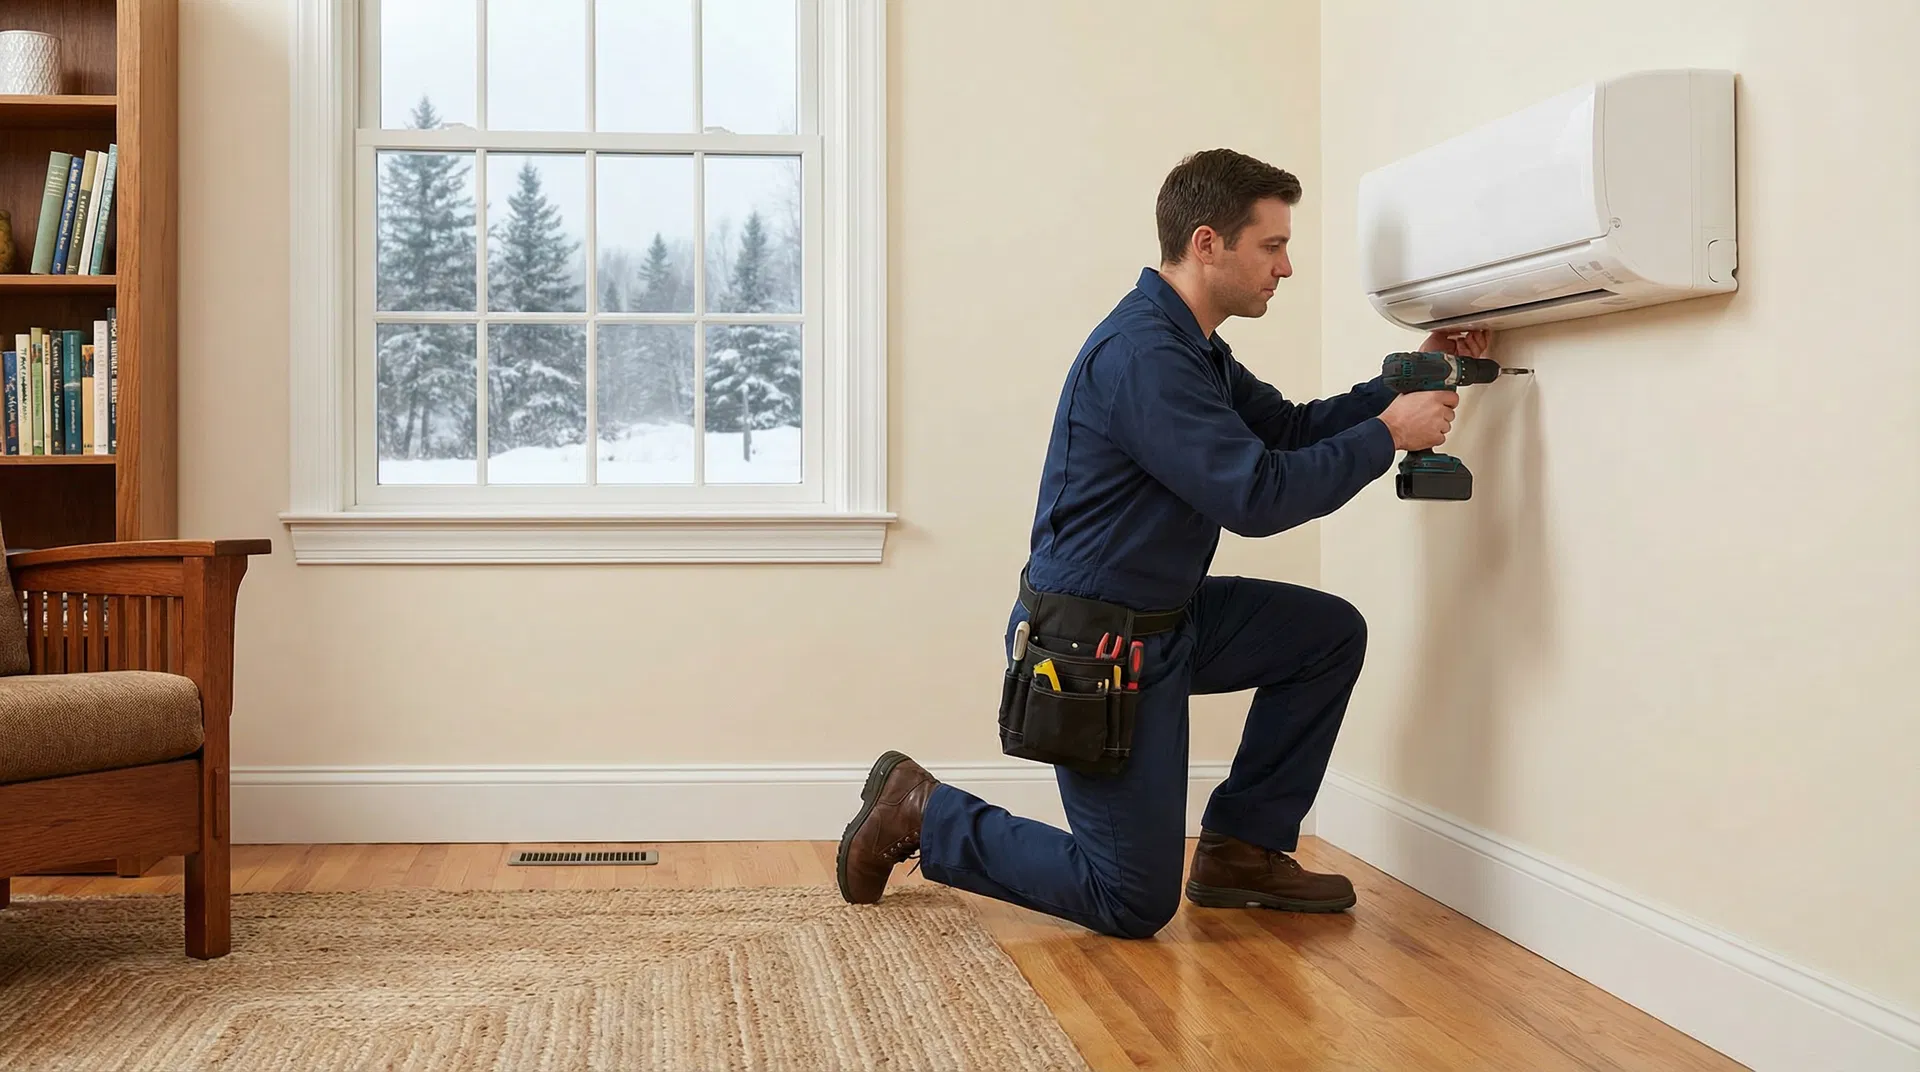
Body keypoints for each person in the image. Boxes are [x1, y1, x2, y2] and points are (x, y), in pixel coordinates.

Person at [835, 148, 1491, 939]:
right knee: (1131, 901)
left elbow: (1281, 430)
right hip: (1095, 651)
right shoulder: (1145, 355)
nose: (1286, 268)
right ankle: (924, 811)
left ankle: (1243, 850)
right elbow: (1254, 495)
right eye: (1272, 246)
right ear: (1208, 243)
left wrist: (1410, 382)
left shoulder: (1190, 343)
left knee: (1325, 635)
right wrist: (1389, 434)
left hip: (1164, 617)